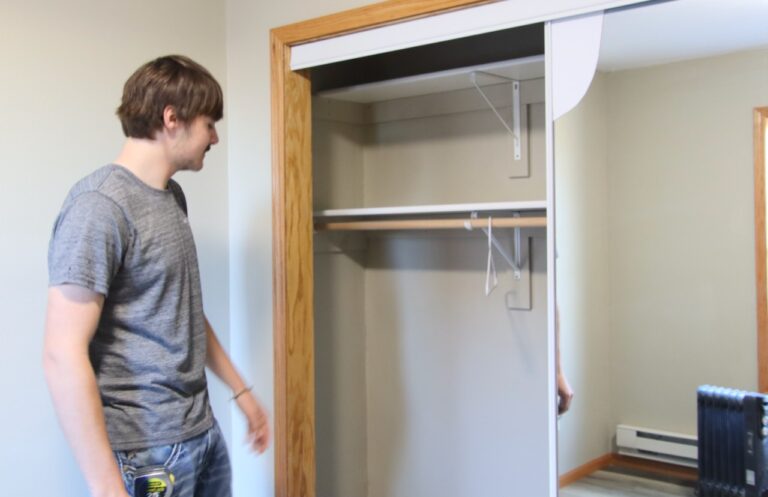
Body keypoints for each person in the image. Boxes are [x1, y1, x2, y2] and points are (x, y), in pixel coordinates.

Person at [43, 55, 269, 497]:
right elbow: (61, 353)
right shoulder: (99, 207)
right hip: (146, 453)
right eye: (209, 123)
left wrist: (242, 393)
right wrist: (107, 486)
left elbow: (181, 311)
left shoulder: (171, 197)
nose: (215, 137)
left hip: (200, 432)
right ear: (172, 119)